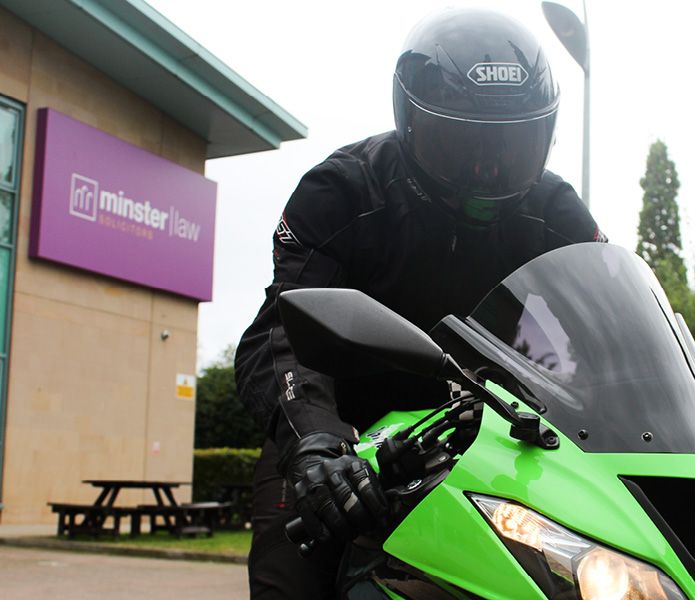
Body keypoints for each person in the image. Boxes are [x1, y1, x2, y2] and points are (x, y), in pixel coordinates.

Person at [234, 7, 605, 599]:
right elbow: (284, 331)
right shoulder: (341, 192)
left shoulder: (556, 211)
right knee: (293, 577)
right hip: (344, 444)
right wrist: (316, 444)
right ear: (410, 122)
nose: (488, 171)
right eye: (464, 144)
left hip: (484, 440)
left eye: (512, 145)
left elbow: (604, 330)